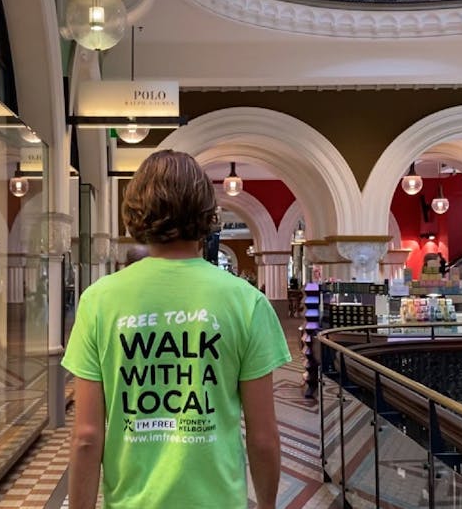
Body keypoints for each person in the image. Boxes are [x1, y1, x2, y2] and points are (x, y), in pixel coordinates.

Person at [62, 150, 292, 509]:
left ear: (135, 212)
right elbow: (263, 437)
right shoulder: (247, 303)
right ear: (206, 213)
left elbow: (87, 438)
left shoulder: (98, 302)